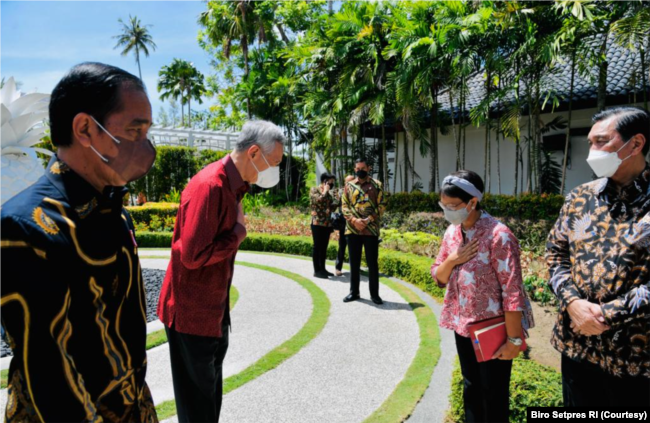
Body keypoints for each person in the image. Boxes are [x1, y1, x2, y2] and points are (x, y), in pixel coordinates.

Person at [0, 62, 158, 422]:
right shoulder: (25, 227)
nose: (145, 145)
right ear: (85, 128)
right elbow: (48, 373)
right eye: (135, 131)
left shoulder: (114, 211)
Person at [157, 120, 285, 423]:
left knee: (208, 399)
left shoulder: (234, 186)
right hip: (191, 316)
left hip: (212, 313)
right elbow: (192, 255)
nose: (273, 170)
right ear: (254, 153)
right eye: (274, 162)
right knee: (197, 407)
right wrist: (238, 234)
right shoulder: (210, 186)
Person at [546, 106, 650, 407]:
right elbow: (555, 255)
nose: (592, 150)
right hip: (577, 346)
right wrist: (574, 304)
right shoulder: (580, 197)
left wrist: (607, 313)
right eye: (590, 142)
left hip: (635, 356)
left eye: (601, 141)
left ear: (636, 143)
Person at [431, 170, 534, 423]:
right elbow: (438, 276)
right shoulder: (452, 233)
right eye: (443, 205)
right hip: (462, 326)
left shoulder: (499, 236)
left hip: (492, 330)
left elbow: (512, 293)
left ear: (473, 202)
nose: (447, 210)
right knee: (471, 387)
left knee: (493, 394)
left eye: (453, 206)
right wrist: (454, 259)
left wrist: (513, 340)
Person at [342, 159, 385, 305]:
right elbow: (344, 206)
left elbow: (382, 205)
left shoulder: (377, 185)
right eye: (358, 168)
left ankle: (375, 295)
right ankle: (354, 292)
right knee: (354, 263)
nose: (360, 170)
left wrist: (367, 220)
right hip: (353, 229)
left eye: (363, 168)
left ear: (368, 168)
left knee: (372, 263)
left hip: (371, 230)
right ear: (355, 169)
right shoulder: (349, 186)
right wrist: (354, 221)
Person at [310, 172, 339, 278]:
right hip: (317, 223)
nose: (331, 184)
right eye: (330, 182)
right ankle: (316, 271)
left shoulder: (330, 193)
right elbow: (318, 201)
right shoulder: (314, 190)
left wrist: (337, 199)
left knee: (324, 247)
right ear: (324, 181)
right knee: (317, 247)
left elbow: (331, 208)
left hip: (327, 223)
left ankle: (323, 269)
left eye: (333, 182)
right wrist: (325, 191)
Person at [335, 175, 356, 276]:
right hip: (344, 223)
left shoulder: (358, 191)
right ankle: (338, 268)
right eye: (347, 182)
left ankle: (355, 268)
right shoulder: (341, 192)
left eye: (351, 181)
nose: (349, 184)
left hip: (355, 222)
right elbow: (336, 204)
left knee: (355, 246)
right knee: (342, 245)